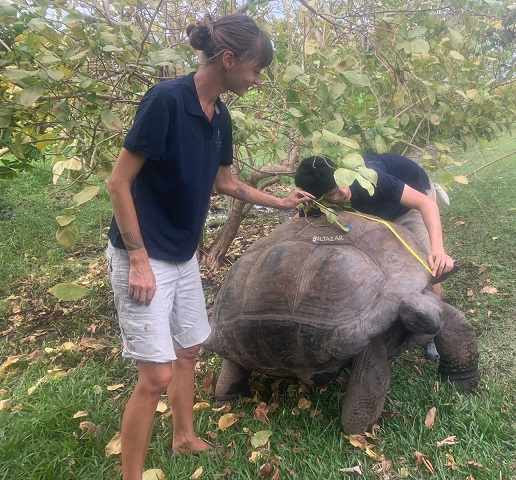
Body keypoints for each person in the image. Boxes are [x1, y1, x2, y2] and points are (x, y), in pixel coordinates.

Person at [105, 14, 312, 480]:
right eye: (256, 71)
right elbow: (118, 184)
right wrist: (138, 260)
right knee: (155, 376)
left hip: (181, 253)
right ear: (228, 59)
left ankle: (183, 437)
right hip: (143, 254)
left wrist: (280, 201)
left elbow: (226, 183)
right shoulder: (166, 101)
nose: (257, 81)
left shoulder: (221, 116)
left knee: (190, 349)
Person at [294, 153, 455, 361]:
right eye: (332, 193)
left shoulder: (370, 178)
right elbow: (298, 223)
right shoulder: (320, 202)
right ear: (319, 198)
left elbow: (426, 204)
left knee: (427, 263)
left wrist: (438, 249)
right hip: (377, 211)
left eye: (340, 183)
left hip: (412, 200)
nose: (342, 192)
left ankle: (435, 331)